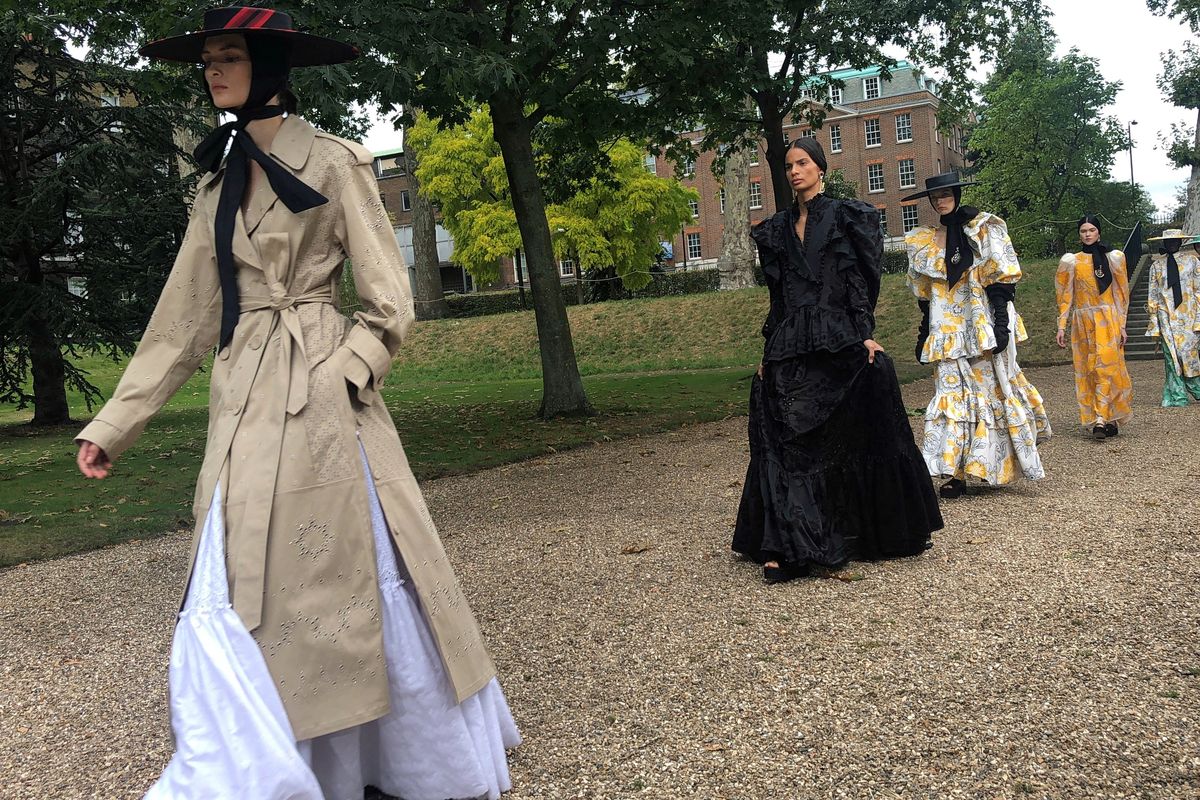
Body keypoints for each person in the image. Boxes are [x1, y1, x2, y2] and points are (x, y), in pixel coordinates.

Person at [74, 8, 519, 798]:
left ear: (270, 66)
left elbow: (390, 300)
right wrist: (116, 423)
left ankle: (389, 757)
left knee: (346, 569)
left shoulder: (337, 162)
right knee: (237, 565)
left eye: (229, 55)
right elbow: (182, 318)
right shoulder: (215, 185)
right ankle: (268, 755)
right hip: (243, 399)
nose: (213, 70)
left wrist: (343, 376)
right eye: (208, 59)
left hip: (325, 400)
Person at [732, 137, 942, 584]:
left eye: (802, 163)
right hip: (791, 342)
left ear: (820, 168)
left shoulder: (848, 216)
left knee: (856, 415)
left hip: (838, 337)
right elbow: (779, 297)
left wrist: (865, 335)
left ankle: (840, 534)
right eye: (789, 165)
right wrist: (768, 349)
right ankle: (788, 543)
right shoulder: (775, 229)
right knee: (786, 436)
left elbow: (858, 284)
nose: (794, 171)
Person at [904, 172, 1051, 498]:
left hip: (980, 325)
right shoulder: (923, 242)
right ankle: (953, 473)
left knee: (988, 393)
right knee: (950, 397)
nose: (940, 201)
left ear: (956, 194)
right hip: (945, 331)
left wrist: (1001, 324)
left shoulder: (983, 229)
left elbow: (1000, 279)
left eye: (945, 194)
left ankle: (984, 464)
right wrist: (922, 333)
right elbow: (925, 296)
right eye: (935, 197)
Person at [1055, 215, 1133, 438]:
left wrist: (1122, 324)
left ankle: (1101, 419)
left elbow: (1121, 293)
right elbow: (1065, 295)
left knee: (1107, 366)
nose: (1087, 234)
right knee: (1089, 369)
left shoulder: (1114, 258)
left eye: (1091, 230)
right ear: (1079, 234)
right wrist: (1062, 325)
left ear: (1098, 232)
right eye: (1083, 231)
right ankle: (1107, 417)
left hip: (1108, 319)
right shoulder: (1071, 261)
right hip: (1084, 322)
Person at [1145, 228, 1200, 406]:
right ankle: (1177, 396)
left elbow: (1198, 290)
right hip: (1165, 315)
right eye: (1168, 241)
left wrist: (1199, 319)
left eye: (1175, 240)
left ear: (1181, 242)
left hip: (1189, 315)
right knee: (1171, 357)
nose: (1172, 243)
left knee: (1189, 355)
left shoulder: (1192, 261)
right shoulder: (1156, 266)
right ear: (1164, 242)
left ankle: (1196, 388)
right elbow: (1153, 295)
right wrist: (1154, 322)